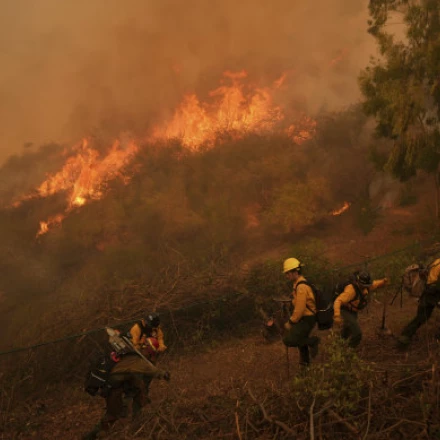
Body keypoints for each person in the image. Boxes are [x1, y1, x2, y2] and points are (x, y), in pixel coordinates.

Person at [83, 337, 170, 440]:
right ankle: (92, 436)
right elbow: (151, 369)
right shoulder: (137, 361)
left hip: (118, 384)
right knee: (112, 415)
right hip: (112, 388)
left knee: (138, 389)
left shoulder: (132, 354)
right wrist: (163, 374)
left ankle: (134, 417)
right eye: (153, 352)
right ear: (150, 351)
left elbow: (139, 380)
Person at [333, 271, 388, 348]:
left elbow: (375, 284)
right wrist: (337, 315)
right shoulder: (351, 290)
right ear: (359, 282)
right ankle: (349, 351)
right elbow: (338, 301)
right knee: (357, 333)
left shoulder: (366, 286)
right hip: (345, 310)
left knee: (347, 329)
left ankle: (339, 346)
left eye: (367, 285)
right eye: (364, 285)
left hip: (354, 312)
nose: (366, 287)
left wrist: (383, 281)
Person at [282, 258, 320, 367]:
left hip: (307, 319)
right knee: (301, 342)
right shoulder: (299, 284)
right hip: (306, 318)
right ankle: (305, 366)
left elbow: (300, 309)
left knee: (288, 340)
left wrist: (291, 322)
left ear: (295, 272)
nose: (287, 276)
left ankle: (313, 341)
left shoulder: (301, 287)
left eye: (288, 273)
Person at [397, 258, 440, 348]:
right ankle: (404, 338)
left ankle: (405, 337)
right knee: (421, 317)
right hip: (434, 292)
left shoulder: (437, 262)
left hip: (428, 293)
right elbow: (433, 282)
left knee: (420, 318)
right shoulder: (438, 264)